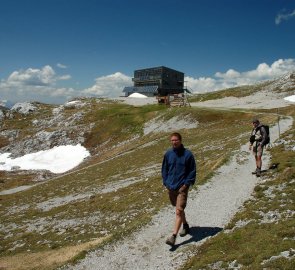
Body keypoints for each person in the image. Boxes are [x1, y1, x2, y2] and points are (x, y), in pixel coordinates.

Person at [161, 132, 196, 246]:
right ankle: (185, 225)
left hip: (182, 187)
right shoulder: (168, 154)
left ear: (180, 140)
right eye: (172, 140)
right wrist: (166, 182)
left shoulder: (188, 155)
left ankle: (173, 236)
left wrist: (186, 185)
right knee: (178, 209)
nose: (174, 142)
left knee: (179, 210)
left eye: (176, 140)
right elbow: (164, 170)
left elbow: (192, 171)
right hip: (171, 186)